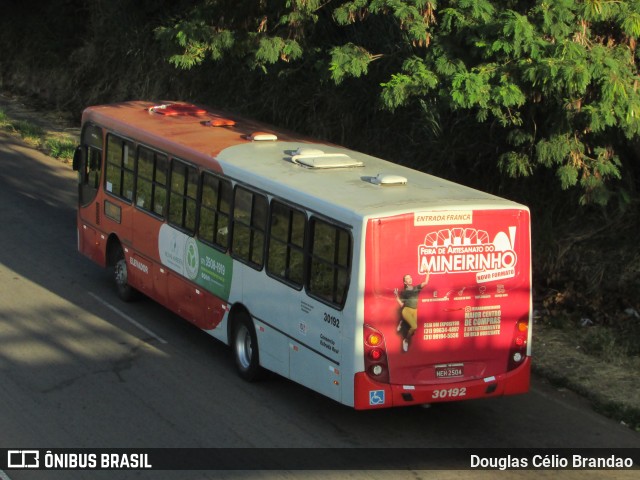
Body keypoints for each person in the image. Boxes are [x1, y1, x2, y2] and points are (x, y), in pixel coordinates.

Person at [394, 272, 429, 352]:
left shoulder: (416, 288)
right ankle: (405, 341)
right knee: (414, 327)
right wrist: (396, 297)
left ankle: (401, 322)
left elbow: (426, 282)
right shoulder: (404, 292)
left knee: (413, 331)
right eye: (407, 278)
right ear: (405, 282)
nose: (409, 279)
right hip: (406, 311)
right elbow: (402, 304)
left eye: (410, 278)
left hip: (414, 311)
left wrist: (427, 272)